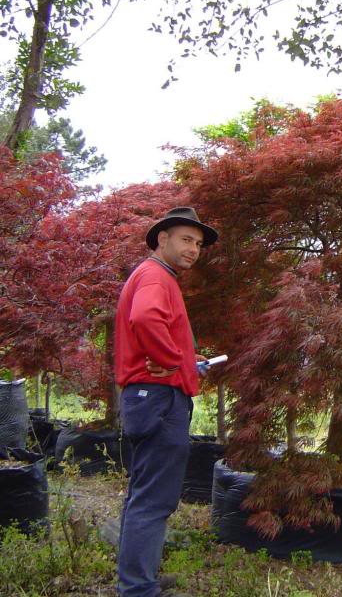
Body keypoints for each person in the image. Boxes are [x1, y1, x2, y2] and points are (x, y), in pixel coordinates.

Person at [114, 206, 218, 596]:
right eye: (186, 239)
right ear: (163, 239)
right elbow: (144, 320)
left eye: (198, 244)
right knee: (154, 500)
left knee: (144, 493)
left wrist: (188, 361)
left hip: (149, 396)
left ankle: (139, 578)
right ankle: (138, 589)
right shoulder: (156, 276)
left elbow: (151, 329)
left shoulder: (155, 276)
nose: (193, 249)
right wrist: (174, 361)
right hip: (159, 398)